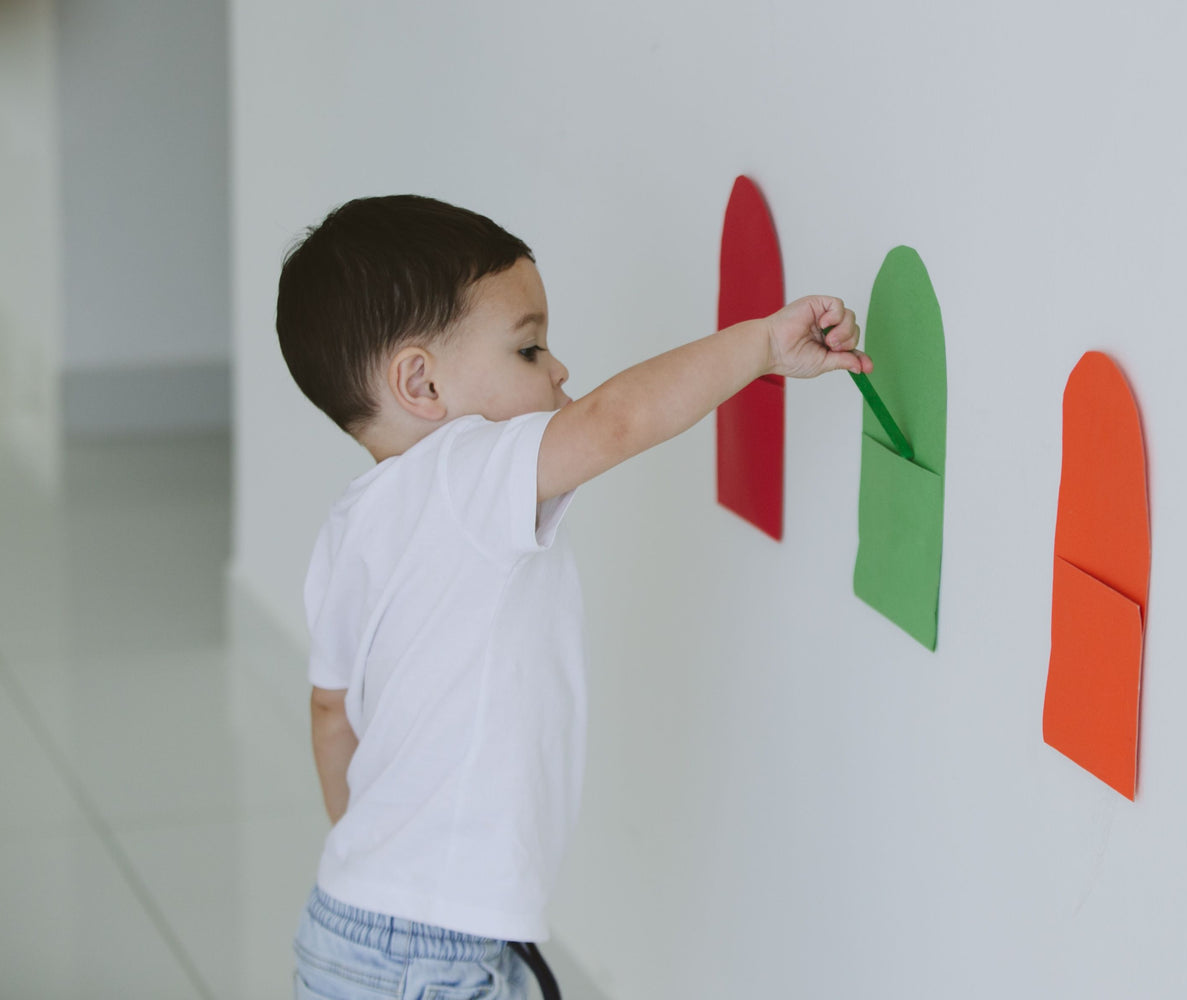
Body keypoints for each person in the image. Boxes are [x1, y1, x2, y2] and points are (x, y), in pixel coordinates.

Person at [275, 194, 869, 999]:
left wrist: (376, 851)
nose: (558, 371)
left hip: (351, 917)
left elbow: (329, 713)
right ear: (421, 383)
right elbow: (617, 420)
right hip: (432, 957)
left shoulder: (349, 529)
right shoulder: (466, 470)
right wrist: (761, 344)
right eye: (528, 349)